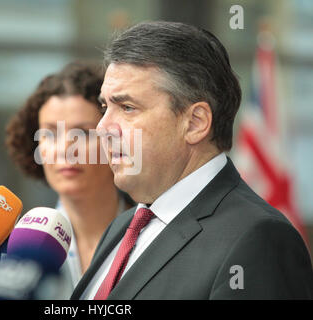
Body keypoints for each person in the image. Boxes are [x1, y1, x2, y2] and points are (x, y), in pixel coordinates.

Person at [70, 21, 313, 300]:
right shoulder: (123, 227)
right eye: (105, 107)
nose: (102, 127)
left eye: (127, 107)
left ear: (195, 122)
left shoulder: (260, 239)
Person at [5, 62, 134, 291]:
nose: (66, 148)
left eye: (83, 133)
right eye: (50, 133)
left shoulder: (152, 233)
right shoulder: (17, 248)